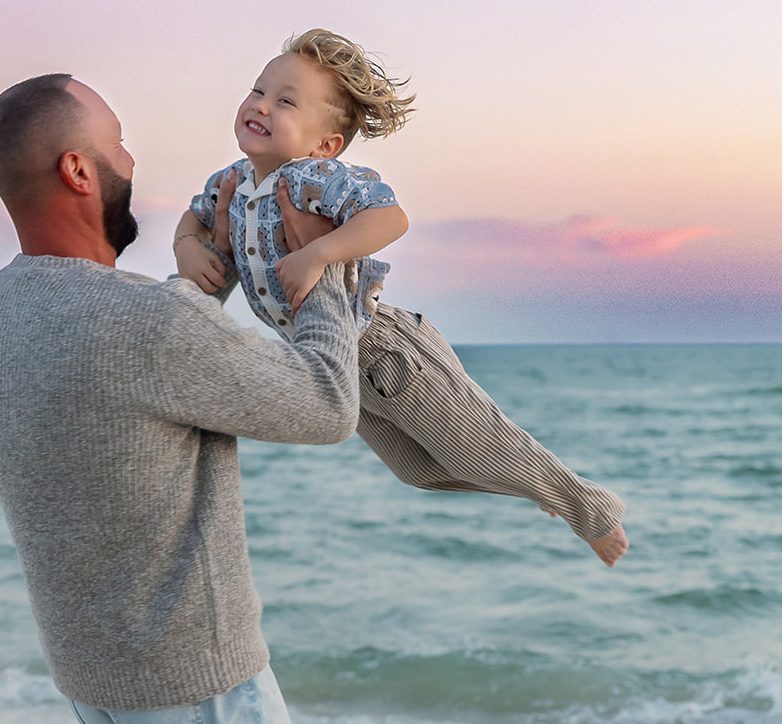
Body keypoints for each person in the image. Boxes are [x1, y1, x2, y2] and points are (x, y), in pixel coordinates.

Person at [0, 73, 358, 724]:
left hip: (96, 679)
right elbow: (327, 404)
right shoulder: (140, 326)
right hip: (195, 676)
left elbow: (141, 374)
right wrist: (322, 266)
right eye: (119, 141)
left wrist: (193, 284)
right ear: (77, 170)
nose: (133, 159)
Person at [174, 29, 630, 565]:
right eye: (258, 91)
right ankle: (539, 483)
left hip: (386, 348)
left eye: (286, 101)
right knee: (420, 472)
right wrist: (187, 247)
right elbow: (195, 219)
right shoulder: (230, 180)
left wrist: (319, 254)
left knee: (479, 444)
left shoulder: (314, 178)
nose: (261, 106)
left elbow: (391, 217)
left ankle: (588, 508)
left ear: (325, 145)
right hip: (335, 364)